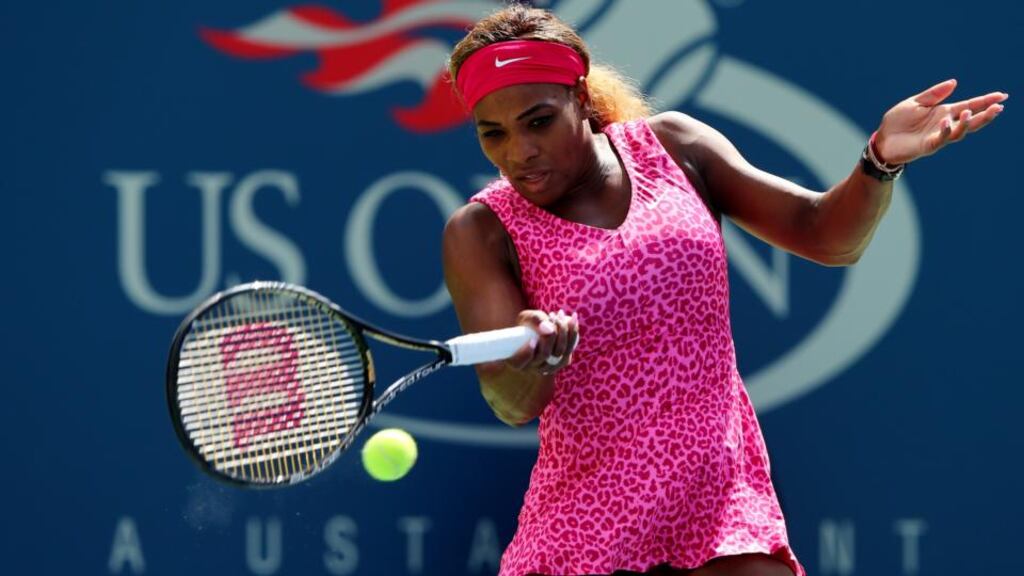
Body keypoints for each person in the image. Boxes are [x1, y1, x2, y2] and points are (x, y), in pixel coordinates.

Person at [440, 5, 1005, 576]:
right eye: (494, 133)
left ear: (581, 98)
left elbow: (826, 236)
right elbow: (510, 401)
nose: (519, 151)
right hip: (584, 532)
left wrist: (880, 160)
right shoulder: (481, 229)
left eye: (538, 121)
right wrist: (537, 359)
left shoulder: (676, 147)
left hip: (722, 509)